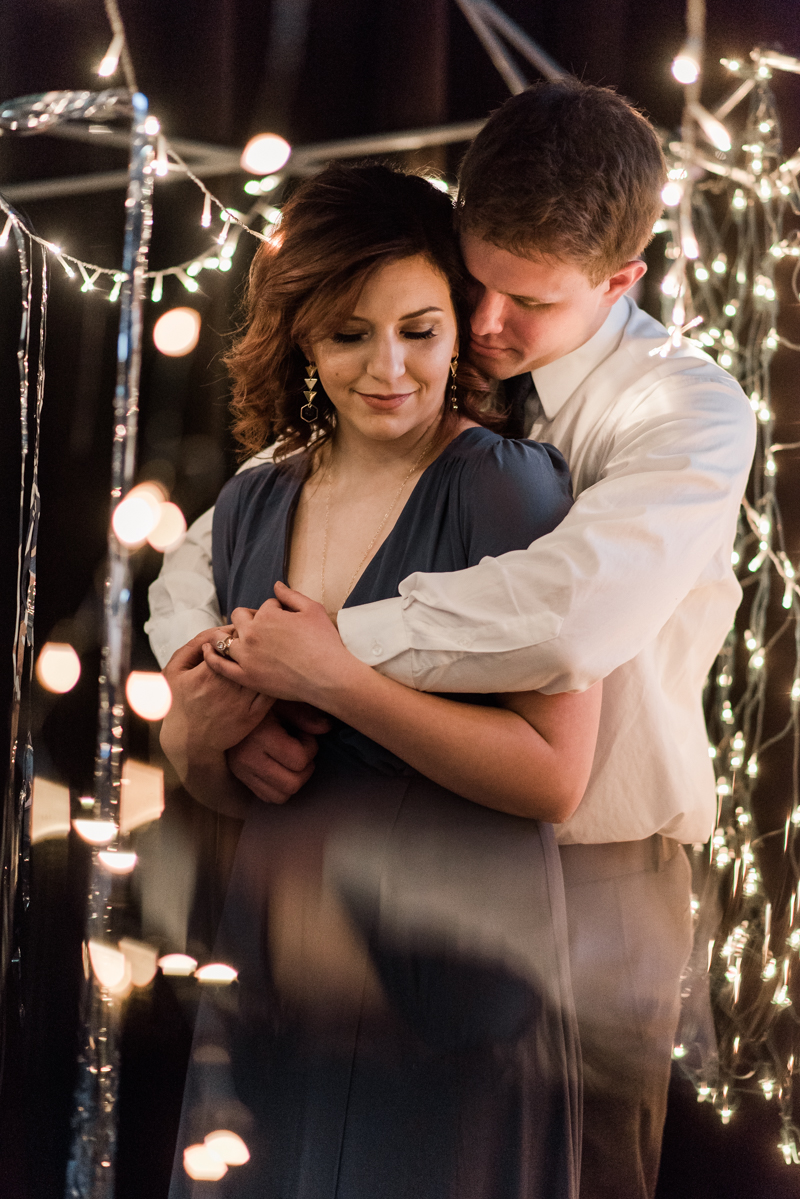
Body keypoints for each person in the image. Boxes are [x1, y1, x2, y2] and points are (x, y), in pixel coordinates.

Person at [147, 82, 756, 1199]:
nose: (482, 326)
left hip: (595, 874)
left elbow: (567, 619)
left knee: (579, 1172)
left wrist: (322, 661)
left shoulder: (682, 412)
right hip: (379, 851)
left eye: (528, 302)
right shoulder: (395, 365)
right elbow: (196, 568)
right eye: (473, 281)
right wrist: (222, 704)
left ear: (620, 280)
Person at [161, 162, 601, 1199]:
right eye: (348, 334)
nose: (388, 368)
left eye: (419, 328)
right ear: (302, 338)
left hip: (443, 976)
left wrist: (341, 679)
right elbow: (233, 788)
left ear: (460, 325)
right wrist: (200, 744)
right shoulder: (255, 502)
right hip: (276, 974)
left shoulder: (505, 489)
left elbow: (555, 780)